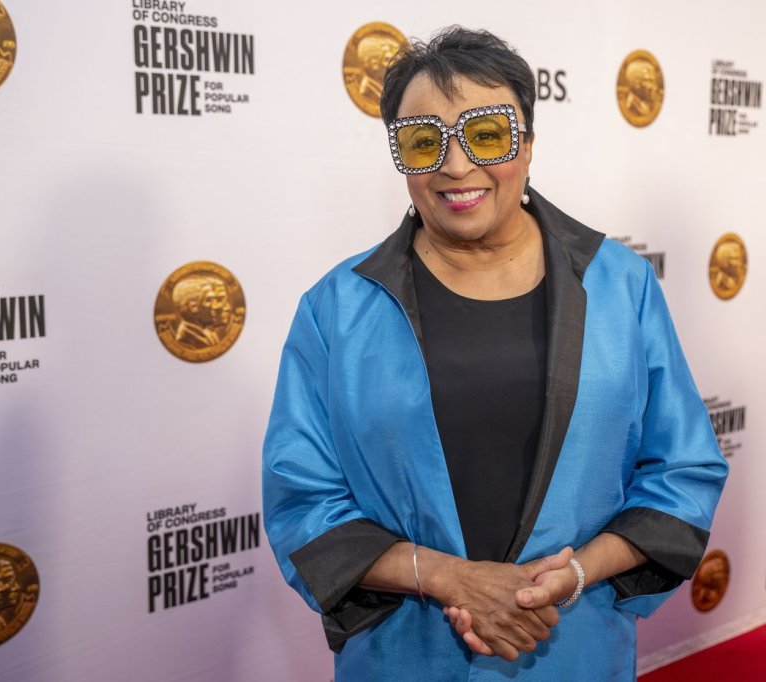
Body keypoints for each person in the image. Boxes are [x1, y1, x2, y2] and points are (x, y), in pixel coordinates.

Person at [263, 26, 728, 680]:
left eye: (485, 135)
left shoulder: (622, 286)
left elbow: (683, 470)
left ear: (528, 144)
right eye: (424, 141)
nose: (455, 166)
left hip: (571, 647)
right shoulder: (336, 310)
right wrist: (448, 578)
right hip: (407, 657)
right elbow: (301, 499)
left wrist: (574, 573)